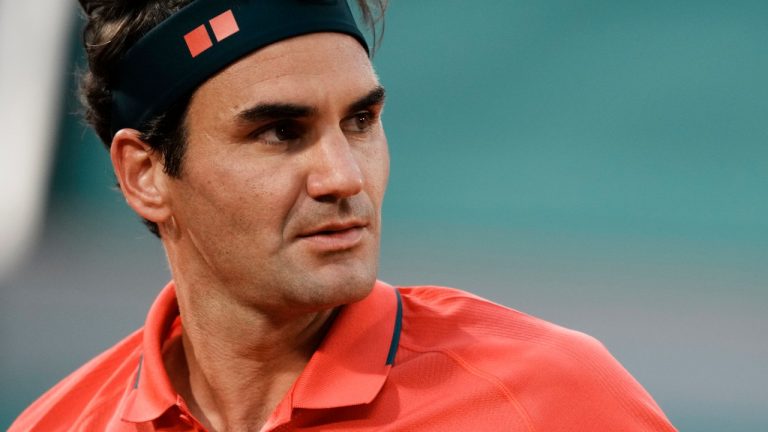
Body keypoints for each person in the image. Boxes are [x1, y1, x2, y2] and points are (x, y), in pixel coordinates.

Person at [10, 0, 678, 431]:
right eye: (280, 132)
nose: (344, 177)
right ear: (145, 174)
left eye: (360, 121)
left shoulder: (552, 400)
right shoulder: (57, 424)